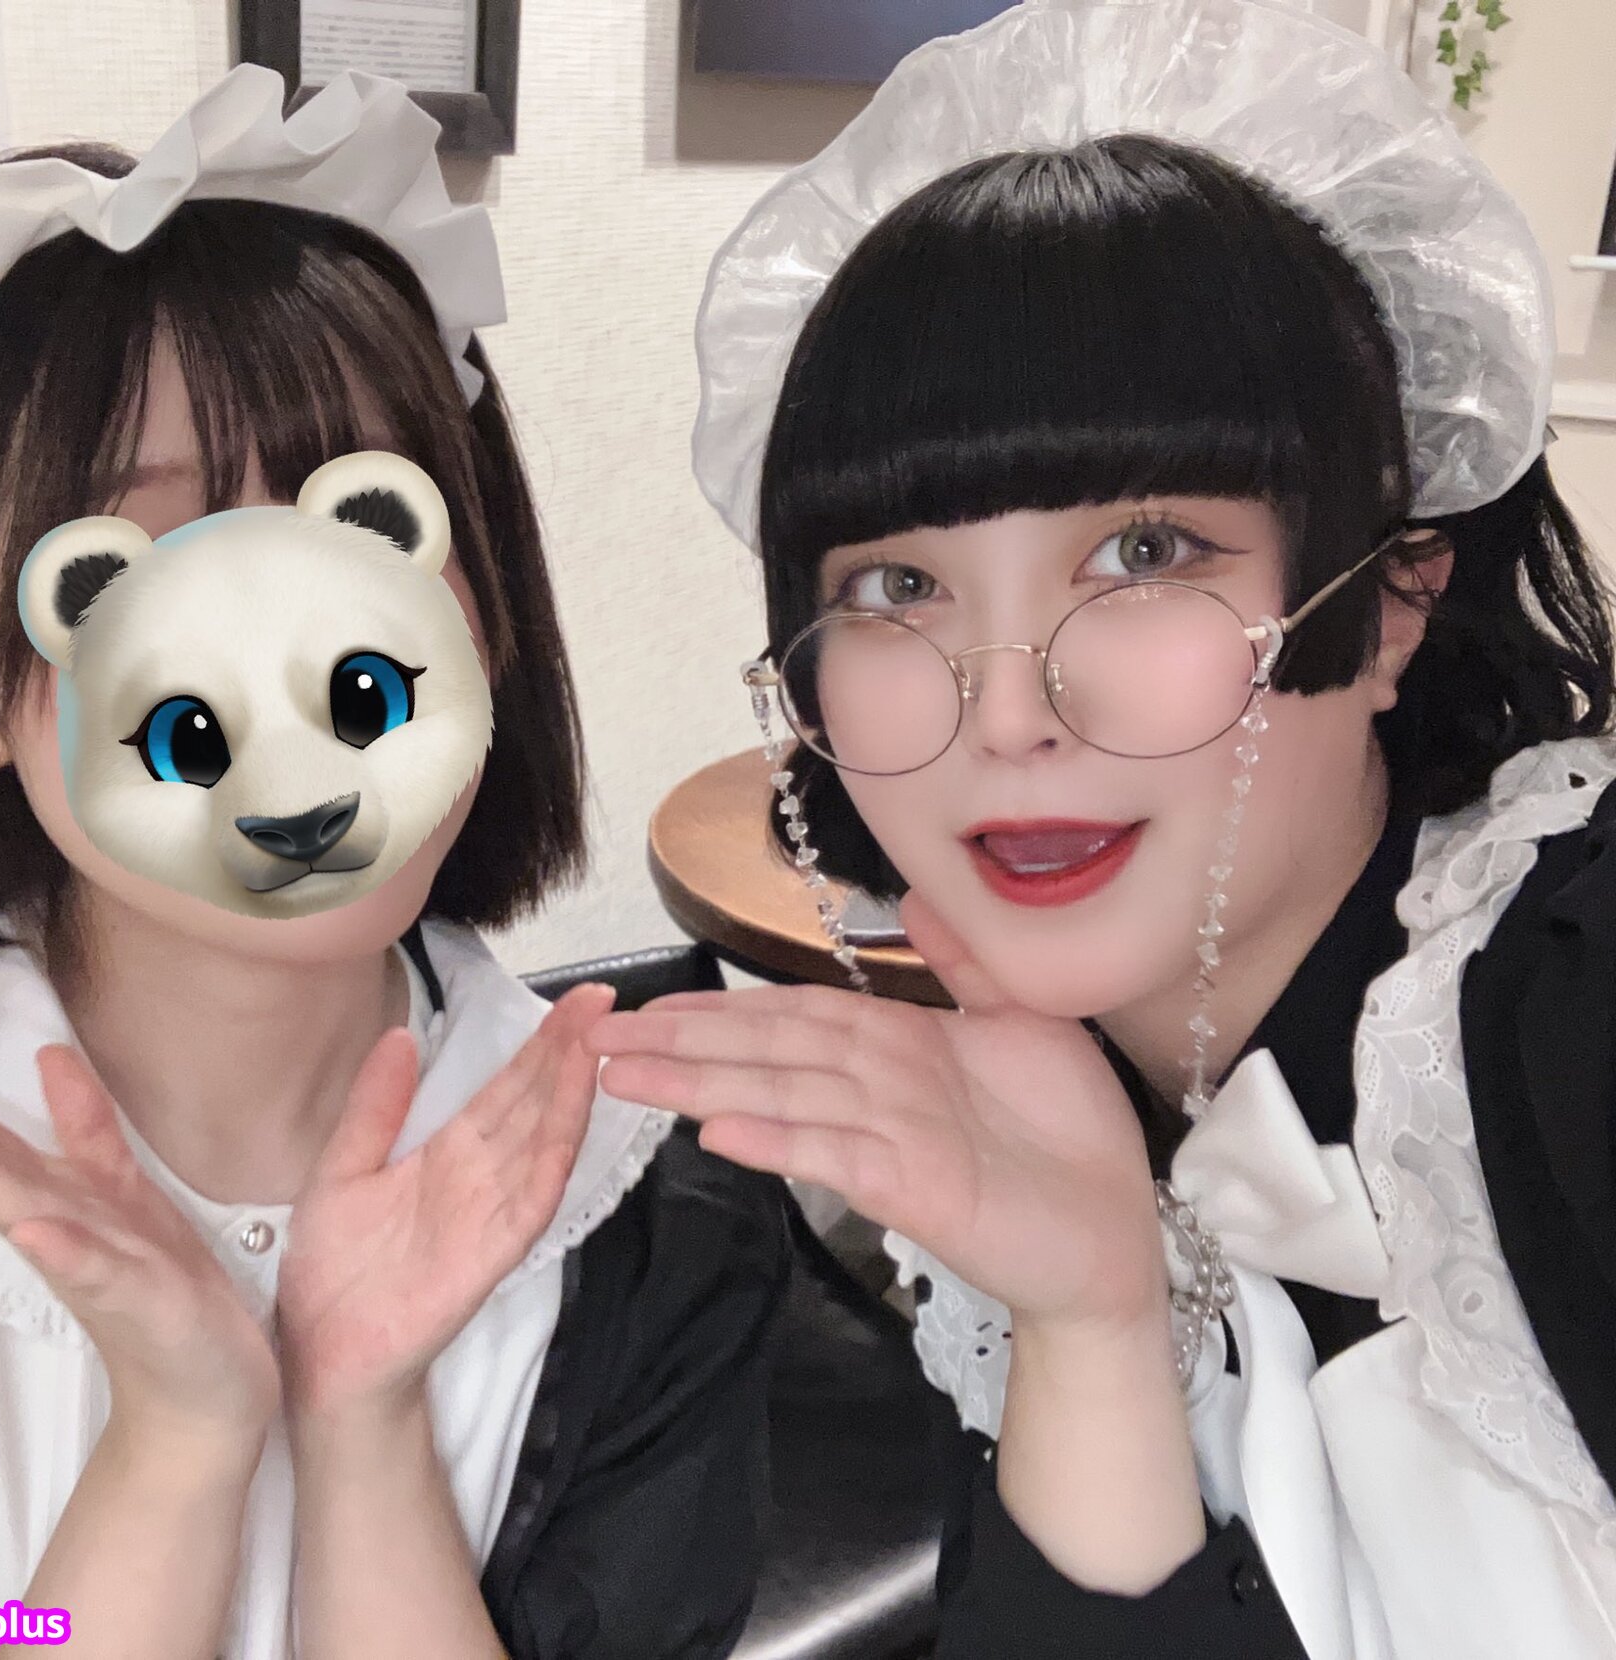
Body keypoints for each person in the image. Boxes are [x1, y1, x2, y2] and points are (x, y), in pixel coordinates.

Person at [0, 66, 785, 1660]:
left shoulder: (653, 1218)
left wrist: (363, 1421)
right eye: (131, 561)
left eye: (365, 530)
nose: (290, 648)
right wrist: (179, 1439)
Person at [589, 1, 1616, 1654]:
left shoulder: (1572, 997)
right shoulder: (1026, 1134)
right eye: (897, 585)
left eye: (1145, 553)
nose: (1009, 712)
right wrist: (1088, 1322)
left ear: (1394, 600)